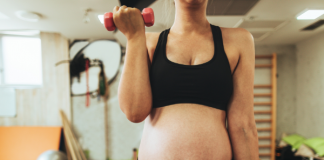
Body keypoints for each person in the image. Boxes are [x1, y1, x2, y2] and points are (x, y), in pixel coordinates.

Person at [115, 0, 259, 159]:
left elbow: (243, 127)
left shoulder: (239, 40)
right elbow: (134, 112)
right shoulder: (147, 42)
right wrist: (135, 37)